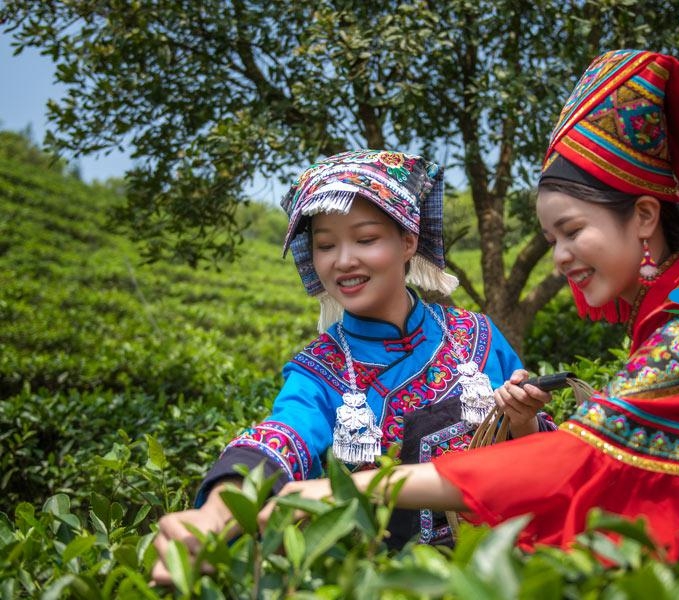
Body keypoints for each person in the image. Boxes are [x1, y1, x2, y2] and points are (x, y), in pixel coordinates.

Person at [257, 50, 679, 566]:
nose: (560, 258)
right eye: (326, 245)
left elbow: (574, 457)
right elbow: (285, 431)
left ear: (643, 216)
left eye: (572, 232)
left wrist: (355, 486)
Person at [151, 149, 556, 583]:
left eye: (365, 239)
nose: (343, 260)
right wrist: (217, 512)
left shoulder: (477, 335)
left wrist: (522, 422)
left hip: (508, 573)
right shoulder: (319, 370)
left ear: (407, 241)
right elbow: (282, 436)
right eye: (326, 245)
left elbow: (540, 459)